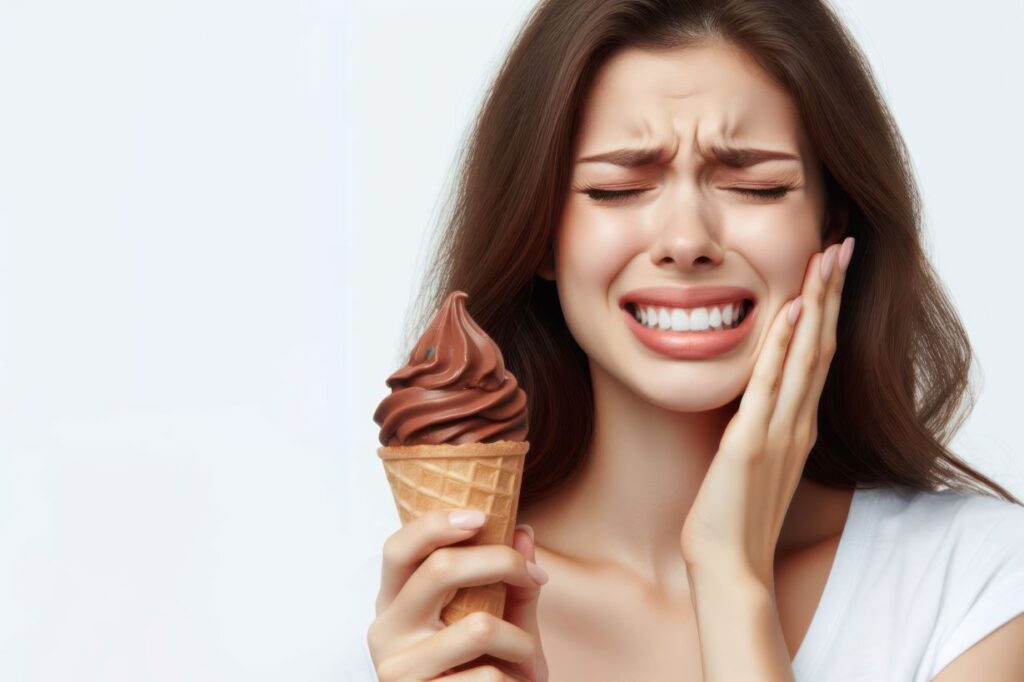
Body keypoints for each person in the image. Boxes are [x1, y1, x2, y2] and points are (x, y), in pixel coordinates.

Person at [358, 0, 1024, 679]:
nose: (686, 241)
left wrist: (732, 578)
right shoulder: (435, 617)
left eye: (754, 186)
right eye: (618, 188)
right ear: (542, 235)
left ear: (832, 223)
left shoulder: (979, 587)